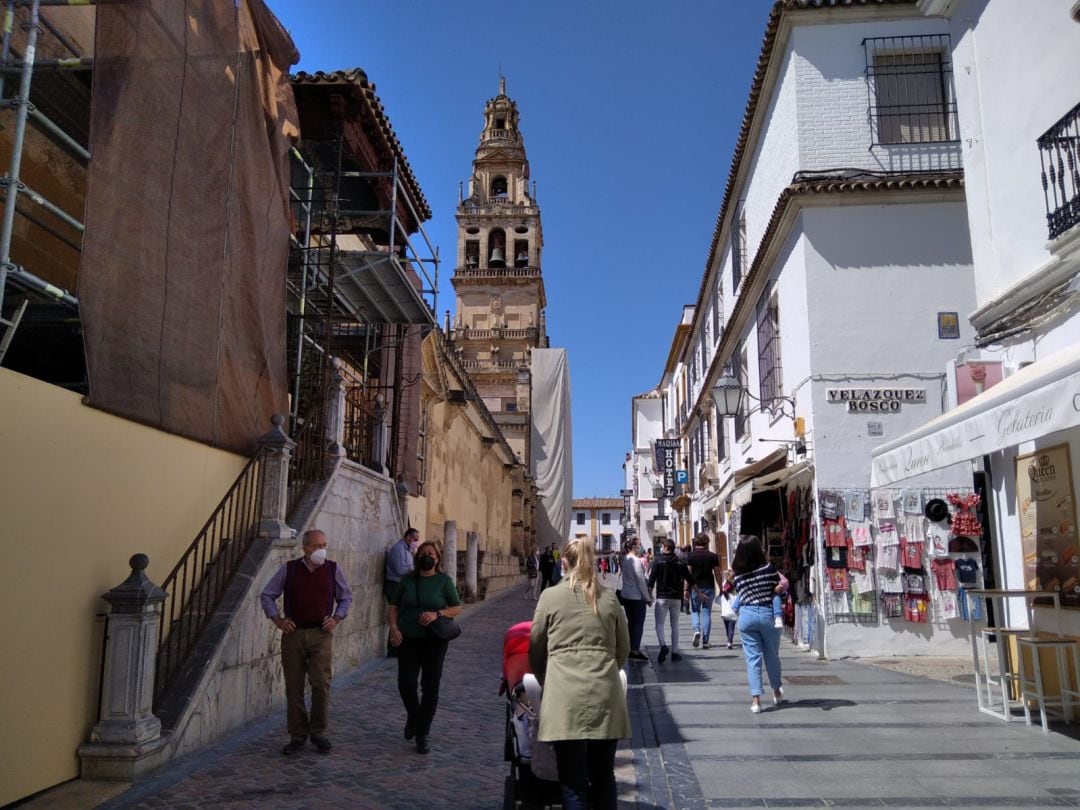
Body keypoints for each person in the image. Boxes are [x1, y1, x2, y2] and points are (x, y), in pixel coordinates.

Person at [530, 539, 630, 810]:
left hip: (564, 696)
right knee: (603, 776)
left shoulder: (550, 596)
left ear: (564, 562)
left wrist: (545, 679)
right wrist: (608, 671)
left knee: (572, 780)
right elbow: (623, 649)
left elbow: (536, 645)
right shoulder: (608, 597)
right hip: (604, 694)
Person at [260, 529, 353, 755]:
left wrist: (337, 617)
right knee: (294, 687)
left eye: (324, 544)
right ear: (306, 547)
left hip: (320, 634)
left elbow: (346, 596)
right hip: (294, 634)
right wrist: (278, 620)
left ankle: (318, 732)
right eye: (318, 545)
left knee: (321, 683)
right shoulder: (290, 569)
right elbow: (267, 594)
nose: (322, 549)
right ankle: (298, 734)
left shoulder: (332, 569)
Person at [388, 539, 463, 754]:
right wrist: (393, 628)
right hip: (408, 638)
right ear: (417, 556)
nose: (426, 556)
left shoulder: (444, 581)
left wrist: (437, 614)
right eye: (422, 553)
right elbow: (394, 606)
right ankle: (414, 716)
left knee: (430, 686)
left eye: (430, 553)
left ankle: (422, 732)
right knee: (406, 683)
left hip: (434, 640)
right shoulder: (407, 580)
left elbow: (456, 607)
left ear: (438, 558)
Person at [731, 537, 785, 714]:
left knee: (752, 659)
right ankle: (776, 691)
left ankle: (756, 701)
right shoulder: (768, 569)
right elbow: (777, 587)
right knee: (771, 655)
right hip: (766, 614)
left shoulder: (737, 574)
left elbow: (740, 592)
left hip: (746, 616)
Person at [646, 539, 692, 663]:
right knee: (675, 625)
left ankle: (663, 645)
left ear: (665, 547)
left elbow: (651, 581)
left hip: (662, 597)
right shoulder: (680, 562)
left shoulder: (658, 560)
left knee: (659, 624)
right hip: (676, 597)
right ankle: (675, 652)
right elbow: (689, 578)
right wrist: (695, 592)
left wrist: (649, 596)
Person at [385, 528, 418, 656]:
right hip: (394, 585)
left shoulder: (408, 550)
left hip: (401, 585)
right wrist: (413, 570)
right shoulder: (398, 549)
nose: (416, 542)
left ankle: (398, 646)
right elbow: (399, 569)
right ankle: (393, 648)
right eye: (415, 539)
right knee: (397, 617)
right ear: (408, 537)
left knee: (401, 616)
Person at [619, 539, 652, 661]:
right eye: (639, 545)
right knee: (638, 625)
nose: (641, 547)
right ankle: (635, 651)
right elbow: (641, 582)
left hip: (626, 595)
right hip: (637, 597)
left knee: (630, 623)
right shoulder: (636, 561)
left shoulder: (624, 560)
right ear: (633, 547)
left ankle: (629, 648)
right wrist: (648, 598)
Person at [687, 533, 722, 649]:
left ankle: (697, 630)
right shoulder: (713, 556)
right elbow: (717, 573)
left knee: (695, 611)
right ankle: (706, 641)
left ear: (695, 542)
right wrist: (721, 588)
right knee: (707, 612)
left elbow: (689, 574)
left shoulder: (691, 556)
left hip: (695, 588)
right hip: (709, 587)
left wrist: (686, 588)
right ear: (707, 542)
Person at [719, 570, 738, 649]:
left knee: (727, 626)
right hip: (733, 609)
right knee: (731, 626)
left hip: (725, 610)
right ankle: (730, 641)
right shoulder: (737, 585)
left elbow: (721, 596)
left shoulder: (724, 584)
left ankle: (729, 640)